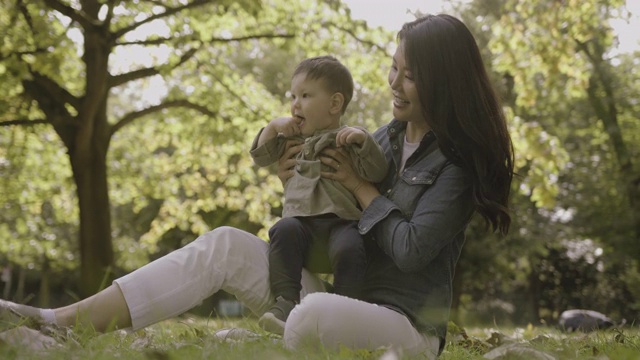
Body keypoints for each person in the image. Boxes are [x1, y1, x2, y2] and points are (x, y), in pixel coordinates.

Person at [0, 14, 514, 358]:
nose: (392, 84)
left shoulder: (456, 164)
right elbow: (330, 221)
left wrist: (360, 190)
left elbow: (409, 250)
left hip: (404, 328)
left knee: (312, 311)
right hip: (341, 295)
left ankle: (261, 340)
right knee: (226, 242)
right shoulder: (381, 138)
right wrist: (297, 183)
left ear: (441, 81)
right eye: (392, 68)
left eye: (408, 76)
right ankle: (59, 321)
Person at [250, 56, 388, 335]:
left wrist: (362, 140)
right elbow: (261, 157)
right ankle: (285, 302)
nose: (295, 104)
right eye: (293, 96)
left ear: (334, 104)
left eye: (305, 95)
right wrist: (273, 126)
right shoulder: (290, 139)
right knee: (283, 229)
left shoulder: (347, 139)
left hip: (341, 224)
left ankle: (344, 310)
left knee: (352, 247)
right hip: (302, 227)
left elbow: (377, 171)